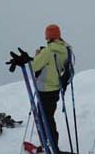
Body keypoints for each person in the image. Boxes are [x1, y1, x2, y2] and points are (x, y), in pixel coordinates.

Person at [32, 24, 68, 153]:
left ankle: (50, 144)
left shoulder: (48, 51)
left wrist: (37, 55)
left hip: (45, 89)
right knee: (49, 117)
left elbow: (34, 66)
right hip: (56, 88)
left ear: (48, 36)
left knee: (44, 119)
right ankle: (51, 143)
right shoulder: (64, 49)